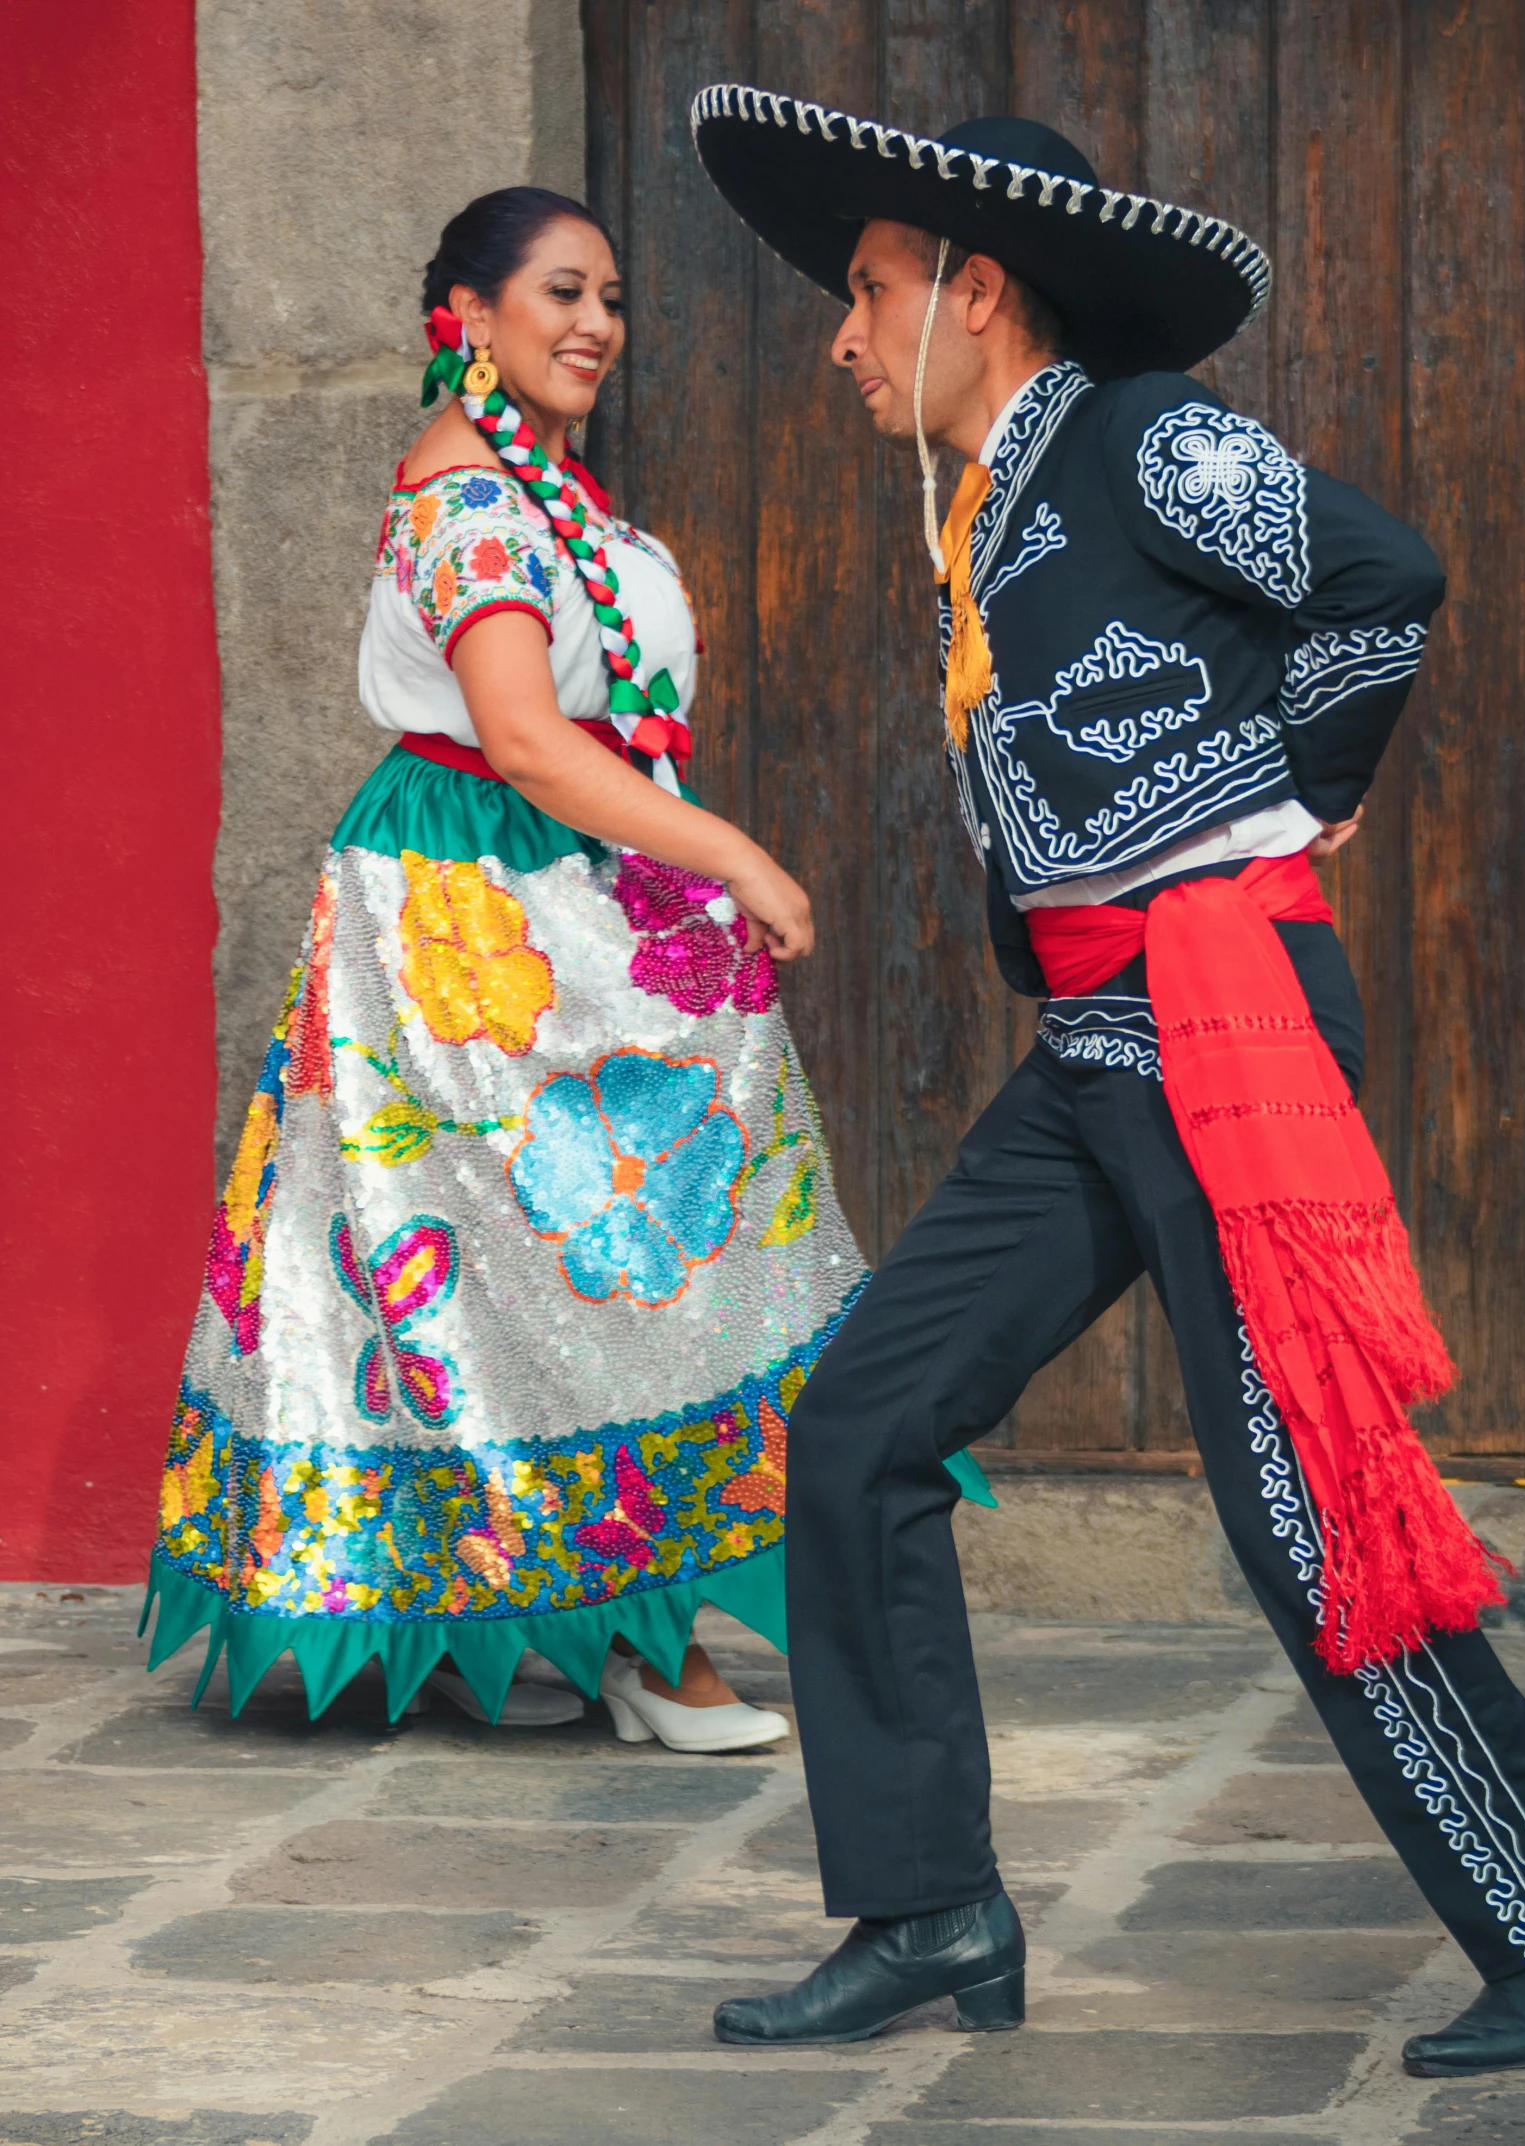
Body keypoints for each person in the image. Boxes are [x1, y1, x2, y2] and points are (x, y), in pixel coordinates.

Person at [691, 90, 1525, 2071]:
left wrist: (1288, 790)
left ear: (979, 293)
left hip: (1226, 1018)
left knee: (1305, 1506)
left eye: (870, 293)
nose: (843, 335)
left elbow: (1380, 577)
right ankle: (931, 1898)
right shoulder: (978, 514)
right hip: (1095, 1045)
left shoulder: (1148, 440)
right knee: (866, 1417)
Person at [145, 184, 993, 1746]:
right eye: (559, 292)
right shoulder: (468, 501)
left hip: (564, 899)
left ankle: (577, 1619)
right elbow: (527, 739)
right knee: (557, 1255)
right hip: (480, 919)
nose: (597, 322)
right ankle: (641, 1635)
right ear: (465, 319)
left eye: (610, 296)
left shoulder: (547, 489)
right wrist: (732, 852)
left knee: (576, 1251)